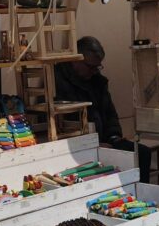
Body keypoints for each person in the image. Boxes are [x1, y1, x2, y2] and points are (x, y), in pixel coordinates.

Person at [54, 36, 152, 182]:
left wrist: (114, 136)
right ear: (76, 60)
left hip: (105, 139)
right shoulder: (57, 81)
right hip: (76, 146)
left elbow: (110, 112)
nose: (94, 71)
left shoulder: (97, 80)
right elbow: (58, 127)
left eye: (97, 67)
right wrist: (92, 143)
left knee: (141, 153)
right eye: (91, 67)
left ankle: (139, 192)